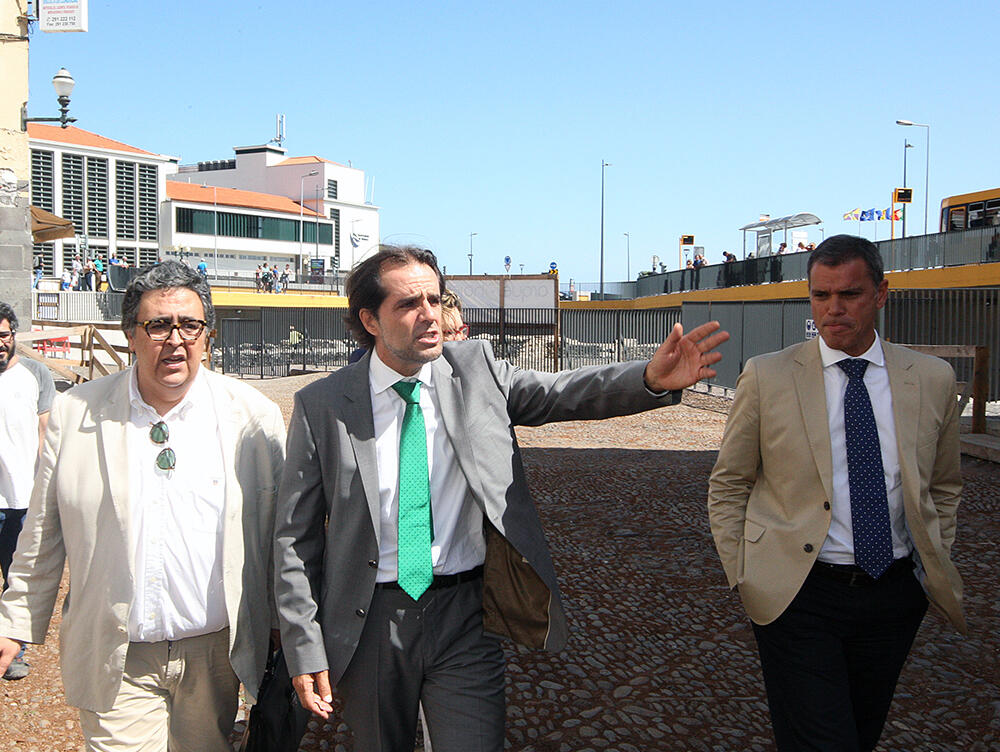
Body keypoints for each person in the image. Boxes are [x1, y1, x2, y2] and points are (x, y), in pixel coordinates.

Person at [274, 244, 728, 752]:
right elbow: (296, 538)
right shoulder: (323, 405)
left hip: (465, 614)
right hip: (370, 621)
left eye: (435, 298)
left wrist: (646, 379)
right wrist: (304, 642)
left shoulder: (475, 370)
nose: (430, 315)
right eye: (408, 304)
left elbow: (563, 392)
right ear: (370, 320)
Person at [0, 261, 286, 751]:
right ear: (131, 335)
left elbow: (280, 535)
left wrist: (286, 629)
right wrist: (15, 625)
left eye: (190, 325)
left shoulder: (252, 416)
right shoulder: (78, 412)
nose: (175, 339)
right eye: (157, 325)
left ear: (207, 335)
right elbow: (43, 531)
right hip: (117, 652)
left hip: (215, 653)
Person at [707, 235, 965, 752]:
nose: (833, 308)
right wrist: (745, 572)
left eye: (848, 294)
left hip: (894, 592)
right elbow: (729, 482)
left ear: (881, 293)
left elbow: (943, 484)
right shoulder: (767, 375)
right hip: (798, 591)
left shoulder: (932, 379)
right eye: (821, 295)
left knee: (861, 730)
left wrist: (929, 557)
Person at [0, 303, 56, 680]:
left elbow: (45, 434)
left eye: (3, 335)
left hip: (21, 497)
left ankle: (11, 648)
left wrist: (44, 493)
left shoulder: (36, 374)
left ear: (13, 335)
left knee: (15, 579)